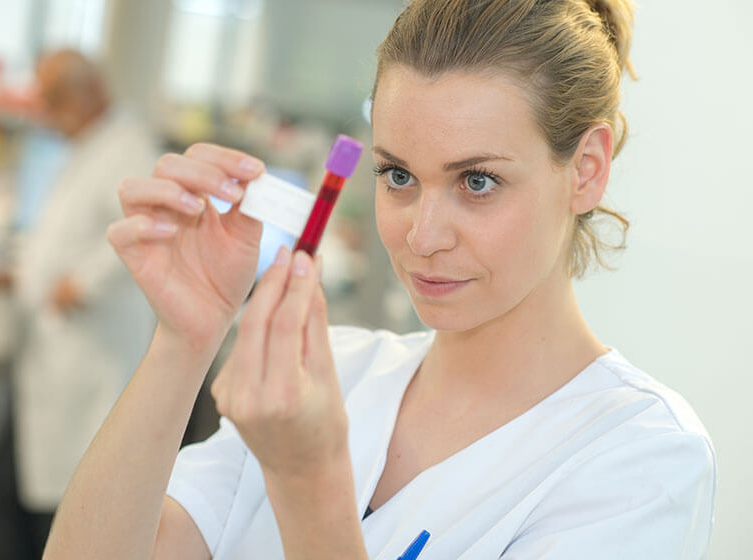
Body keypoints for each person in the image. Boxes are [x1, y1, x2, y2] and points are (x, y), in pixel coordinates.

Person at [42, 1, 716, 559]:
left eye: (477, 182)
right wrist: (184, 339)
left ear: (587, 169)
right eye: (399, 176)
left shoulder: (640, 457)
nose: (422, 236)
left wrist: (309, 484)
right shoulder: (333, 373)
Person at [0, 49, 155, 558]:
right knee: (29, 493)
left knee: (70, 503)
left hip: (87, 353)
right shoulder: (91, 148)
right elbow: (69, 234)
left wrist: (79, 283)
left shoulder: (126, 148)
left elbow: (144, 229)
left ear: (81, 96)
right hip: (56, 355)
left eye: (51, 101)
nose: (45, 113)